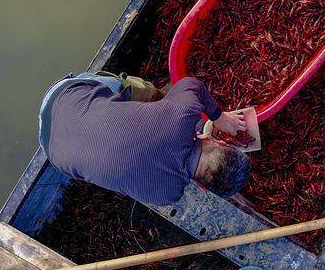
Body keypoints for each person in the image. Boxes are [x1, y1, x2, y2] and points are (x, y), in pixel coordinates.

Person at [38, 71, 250, 206]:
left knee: (148, 93)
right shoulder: (165, 197)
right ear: (201, 187)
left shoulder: (180, 116)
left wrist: (219, 117)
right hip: (52, 150)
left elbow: (191, 84)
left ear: (221, 142)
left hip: (65, 94)